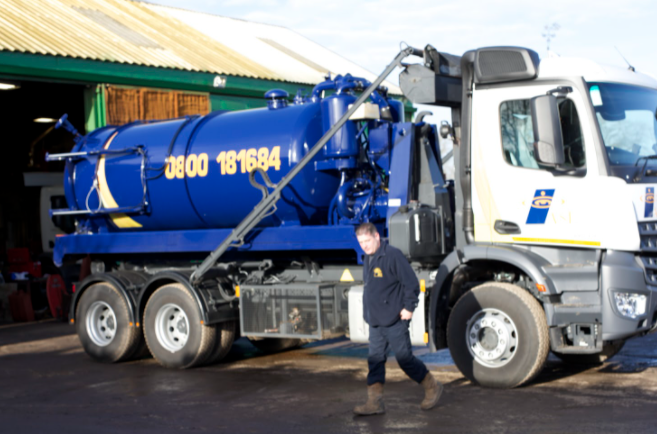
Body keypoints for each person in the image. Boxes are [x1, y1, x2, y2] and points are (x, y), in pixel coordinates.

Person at [353, 222, 443, 416]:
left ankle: (432, 386)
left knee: (404, 359)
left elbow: (411, 283)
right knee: (375, 360)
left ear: (377, 236)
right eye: (360, 242)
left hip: (394, 318)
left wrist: (409, 308)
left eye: (367, 241)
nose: (364, 246)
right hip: (376, 321)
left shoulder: (392, 255)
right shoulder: (368, 257)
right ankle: (374, 402)